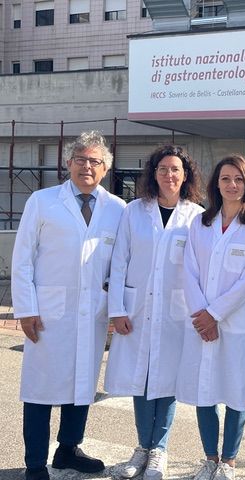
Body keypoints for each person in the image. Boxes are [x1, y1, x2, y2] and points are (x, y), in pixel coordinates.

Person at [11, 131, 126, 480]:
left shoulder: (117, 208)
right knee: (41, 388)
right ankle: (35, 464)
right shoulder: (42, 201)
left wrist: (116, 305)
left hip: (92, 312)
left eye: (94, 161)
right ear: (68, 163)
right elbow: (23, 259)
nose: (86, 166)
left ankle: (68, 450)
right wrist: (26, 309)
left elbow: (121, 264)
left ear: (105, 168)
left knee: (82, 385)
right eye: (80, 159)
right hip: (47, 313)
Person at [105, 145, 204, 480]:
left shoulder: (196, 216)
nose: (169, 175)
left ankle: (159, 449)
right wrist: (117, 308)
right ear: (154, 173)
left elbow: (200, 268)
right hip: (137, 309)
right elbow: (119, 261)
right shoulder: (134, 211)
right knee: (142, 378)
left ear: (185, 175)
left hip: (177, 312)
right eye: (163, 169)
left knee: (168, 379)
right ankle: (142, 448)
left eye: (175, 169)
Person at [176, 155, 245, 480]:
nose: (232, 185)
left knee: (236, 392)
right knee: (204, 390)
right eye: (226, 179)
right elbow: (188, 271)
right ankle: (209, 459)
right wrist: (203, 316)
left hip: (235, 324)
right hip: (201, 322)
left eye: (238, 179)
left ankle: (229, 462)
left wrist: (214, 314)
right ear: (216, 184)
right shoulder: (200, 223)